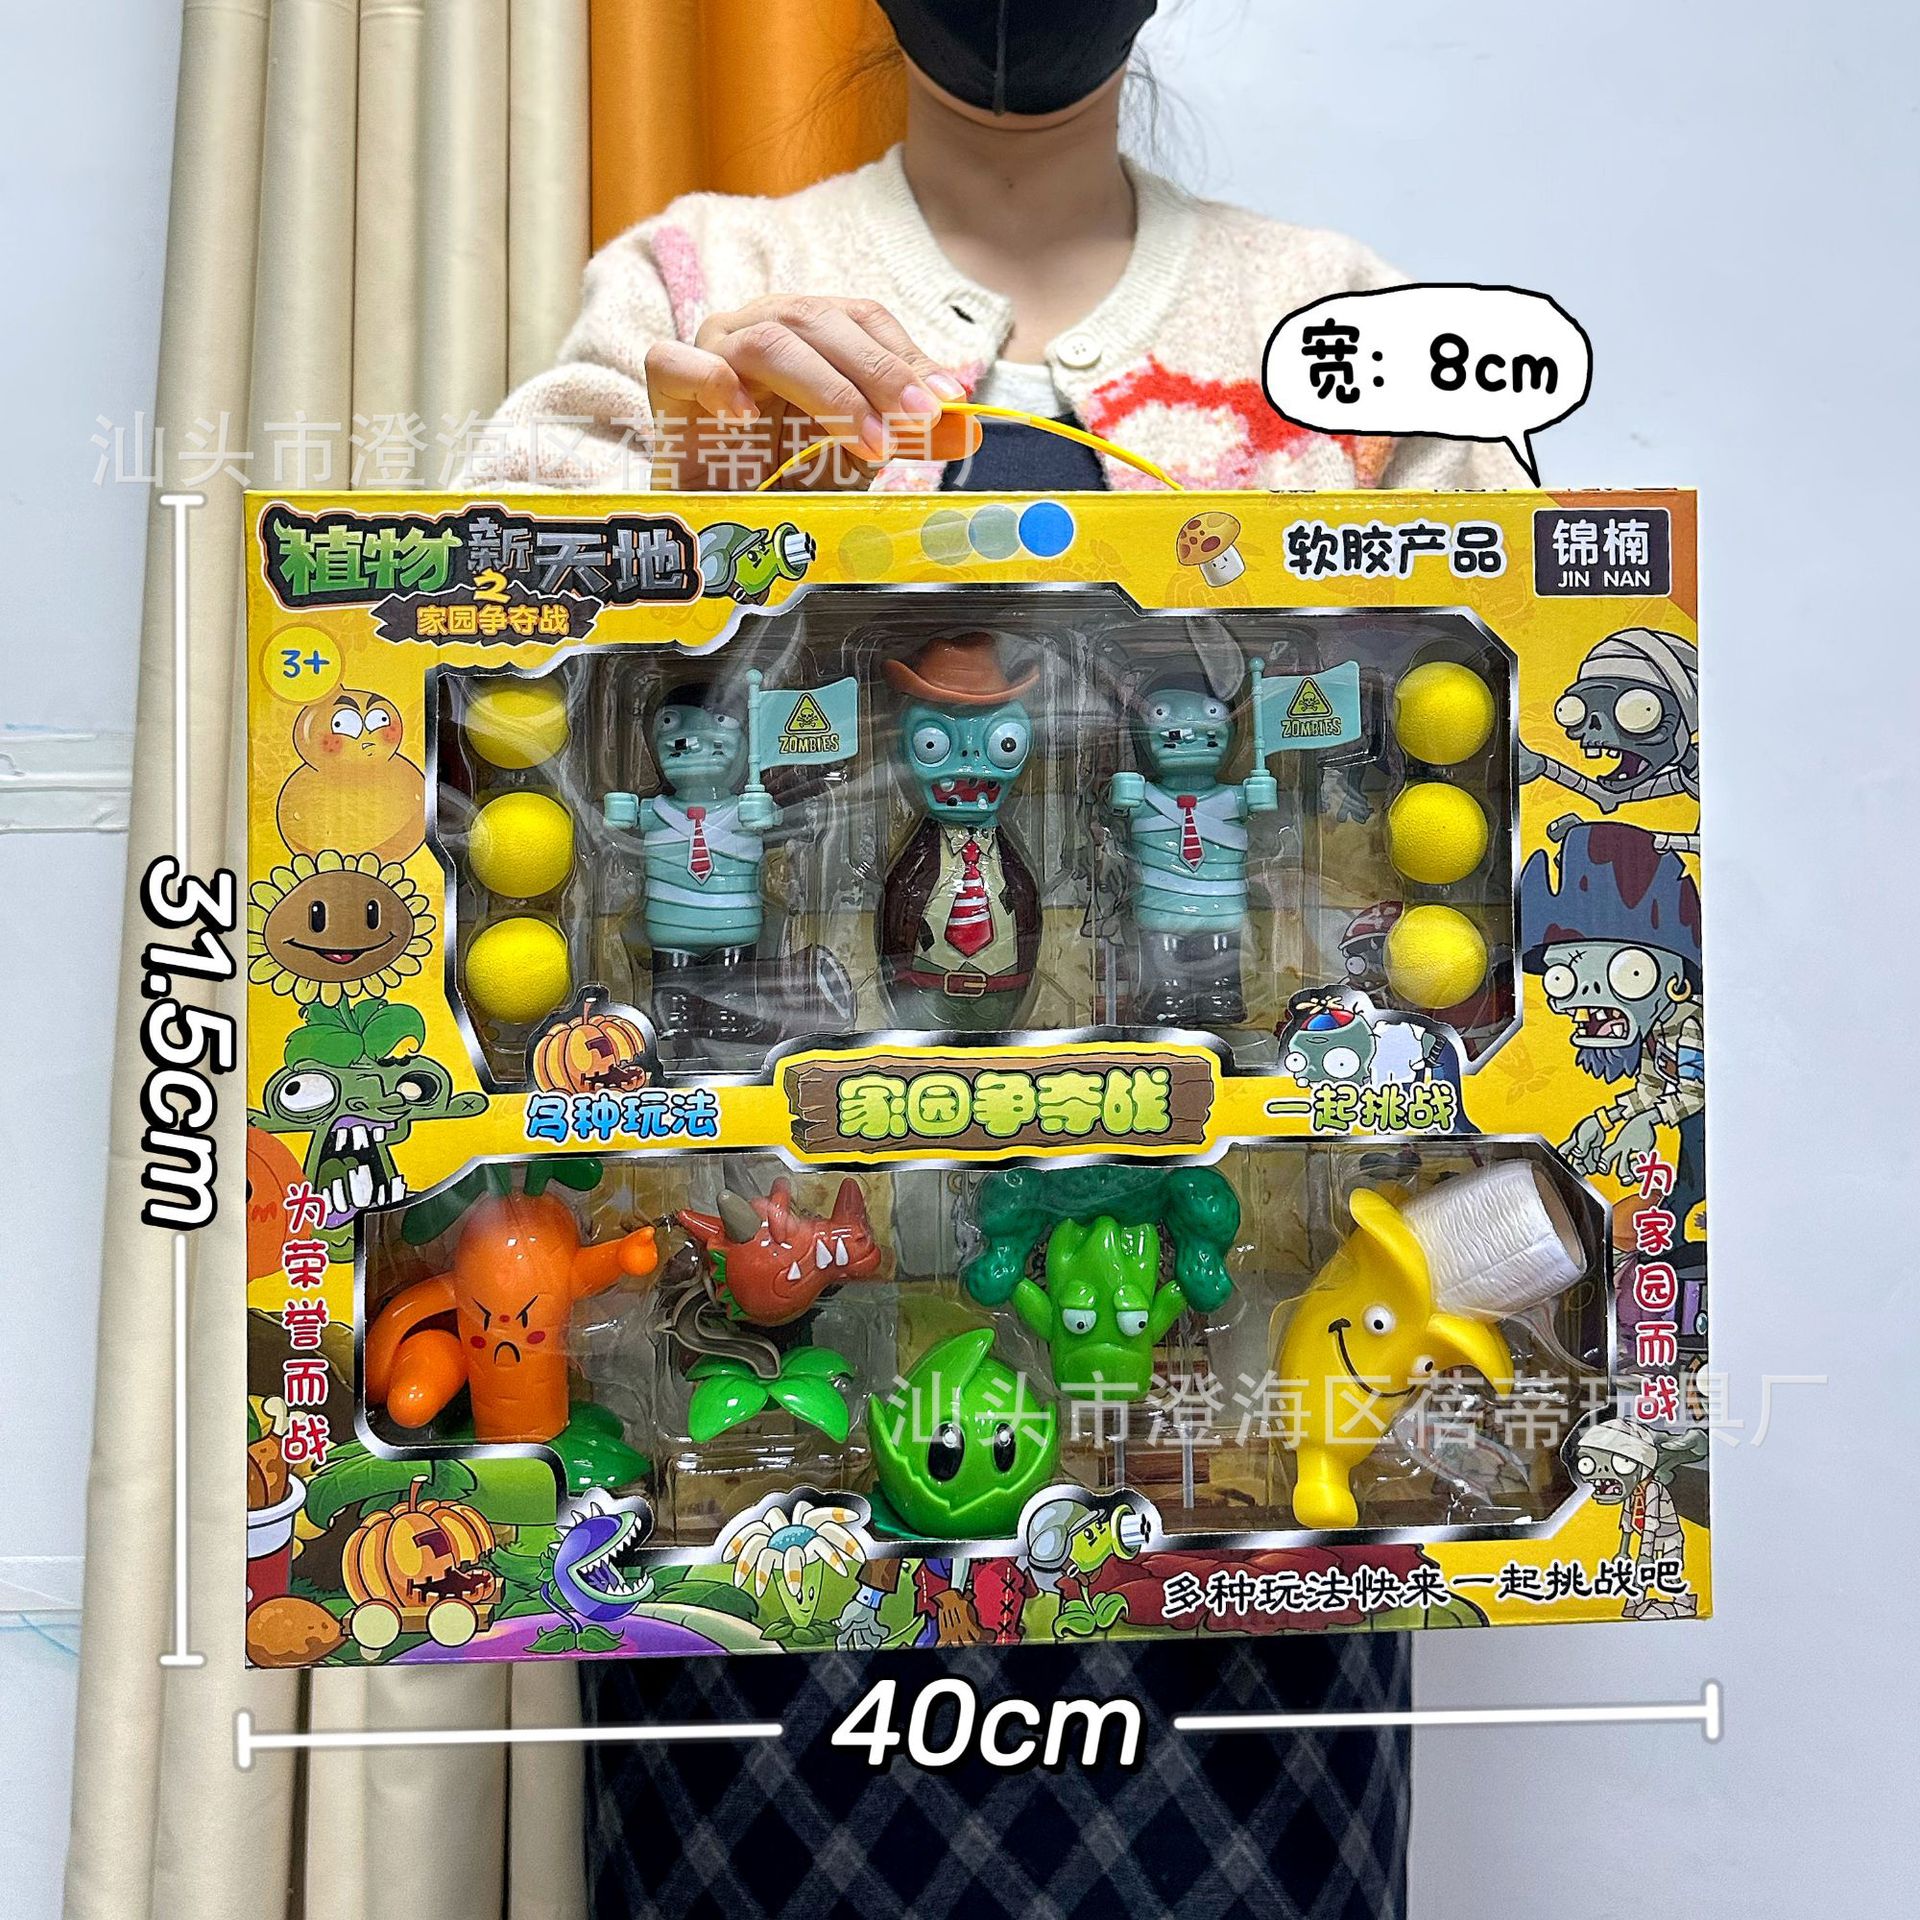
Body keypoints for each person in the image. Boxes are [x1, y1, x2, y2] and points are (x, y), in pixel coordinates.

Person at [476, 7, 1522, 1915]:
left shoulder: (1344, 326)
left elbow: (1519, 749)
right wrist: (682, 502)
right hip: (779, 1477)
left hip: (1236, 1457)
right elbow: (449, 674)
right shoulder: (707, 282)